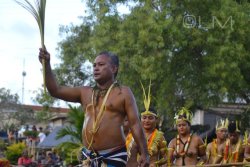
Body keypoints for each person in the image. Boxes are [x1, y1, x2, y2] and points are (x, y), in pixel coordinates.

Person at [39, 49, 149, 167]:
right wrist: (46, 65)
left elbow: (135, 124)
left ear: (114, 68)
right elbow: (55, 90)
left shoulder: (123, 92)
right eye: (94, 65)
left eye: (101, 65)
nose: (96, 68)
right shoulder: (85, 92)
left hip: (114, 155)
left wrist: (144, 153)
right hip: (88, 157)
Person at [140, 81, 168, 167]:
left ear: (156, 120)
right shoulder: (135, 135)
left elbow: (166, 158)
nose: (147, 120)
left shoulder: (159, 136)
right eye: (144, 118)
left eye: (150, 118)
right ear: (140, 119)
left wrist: (155, 164)